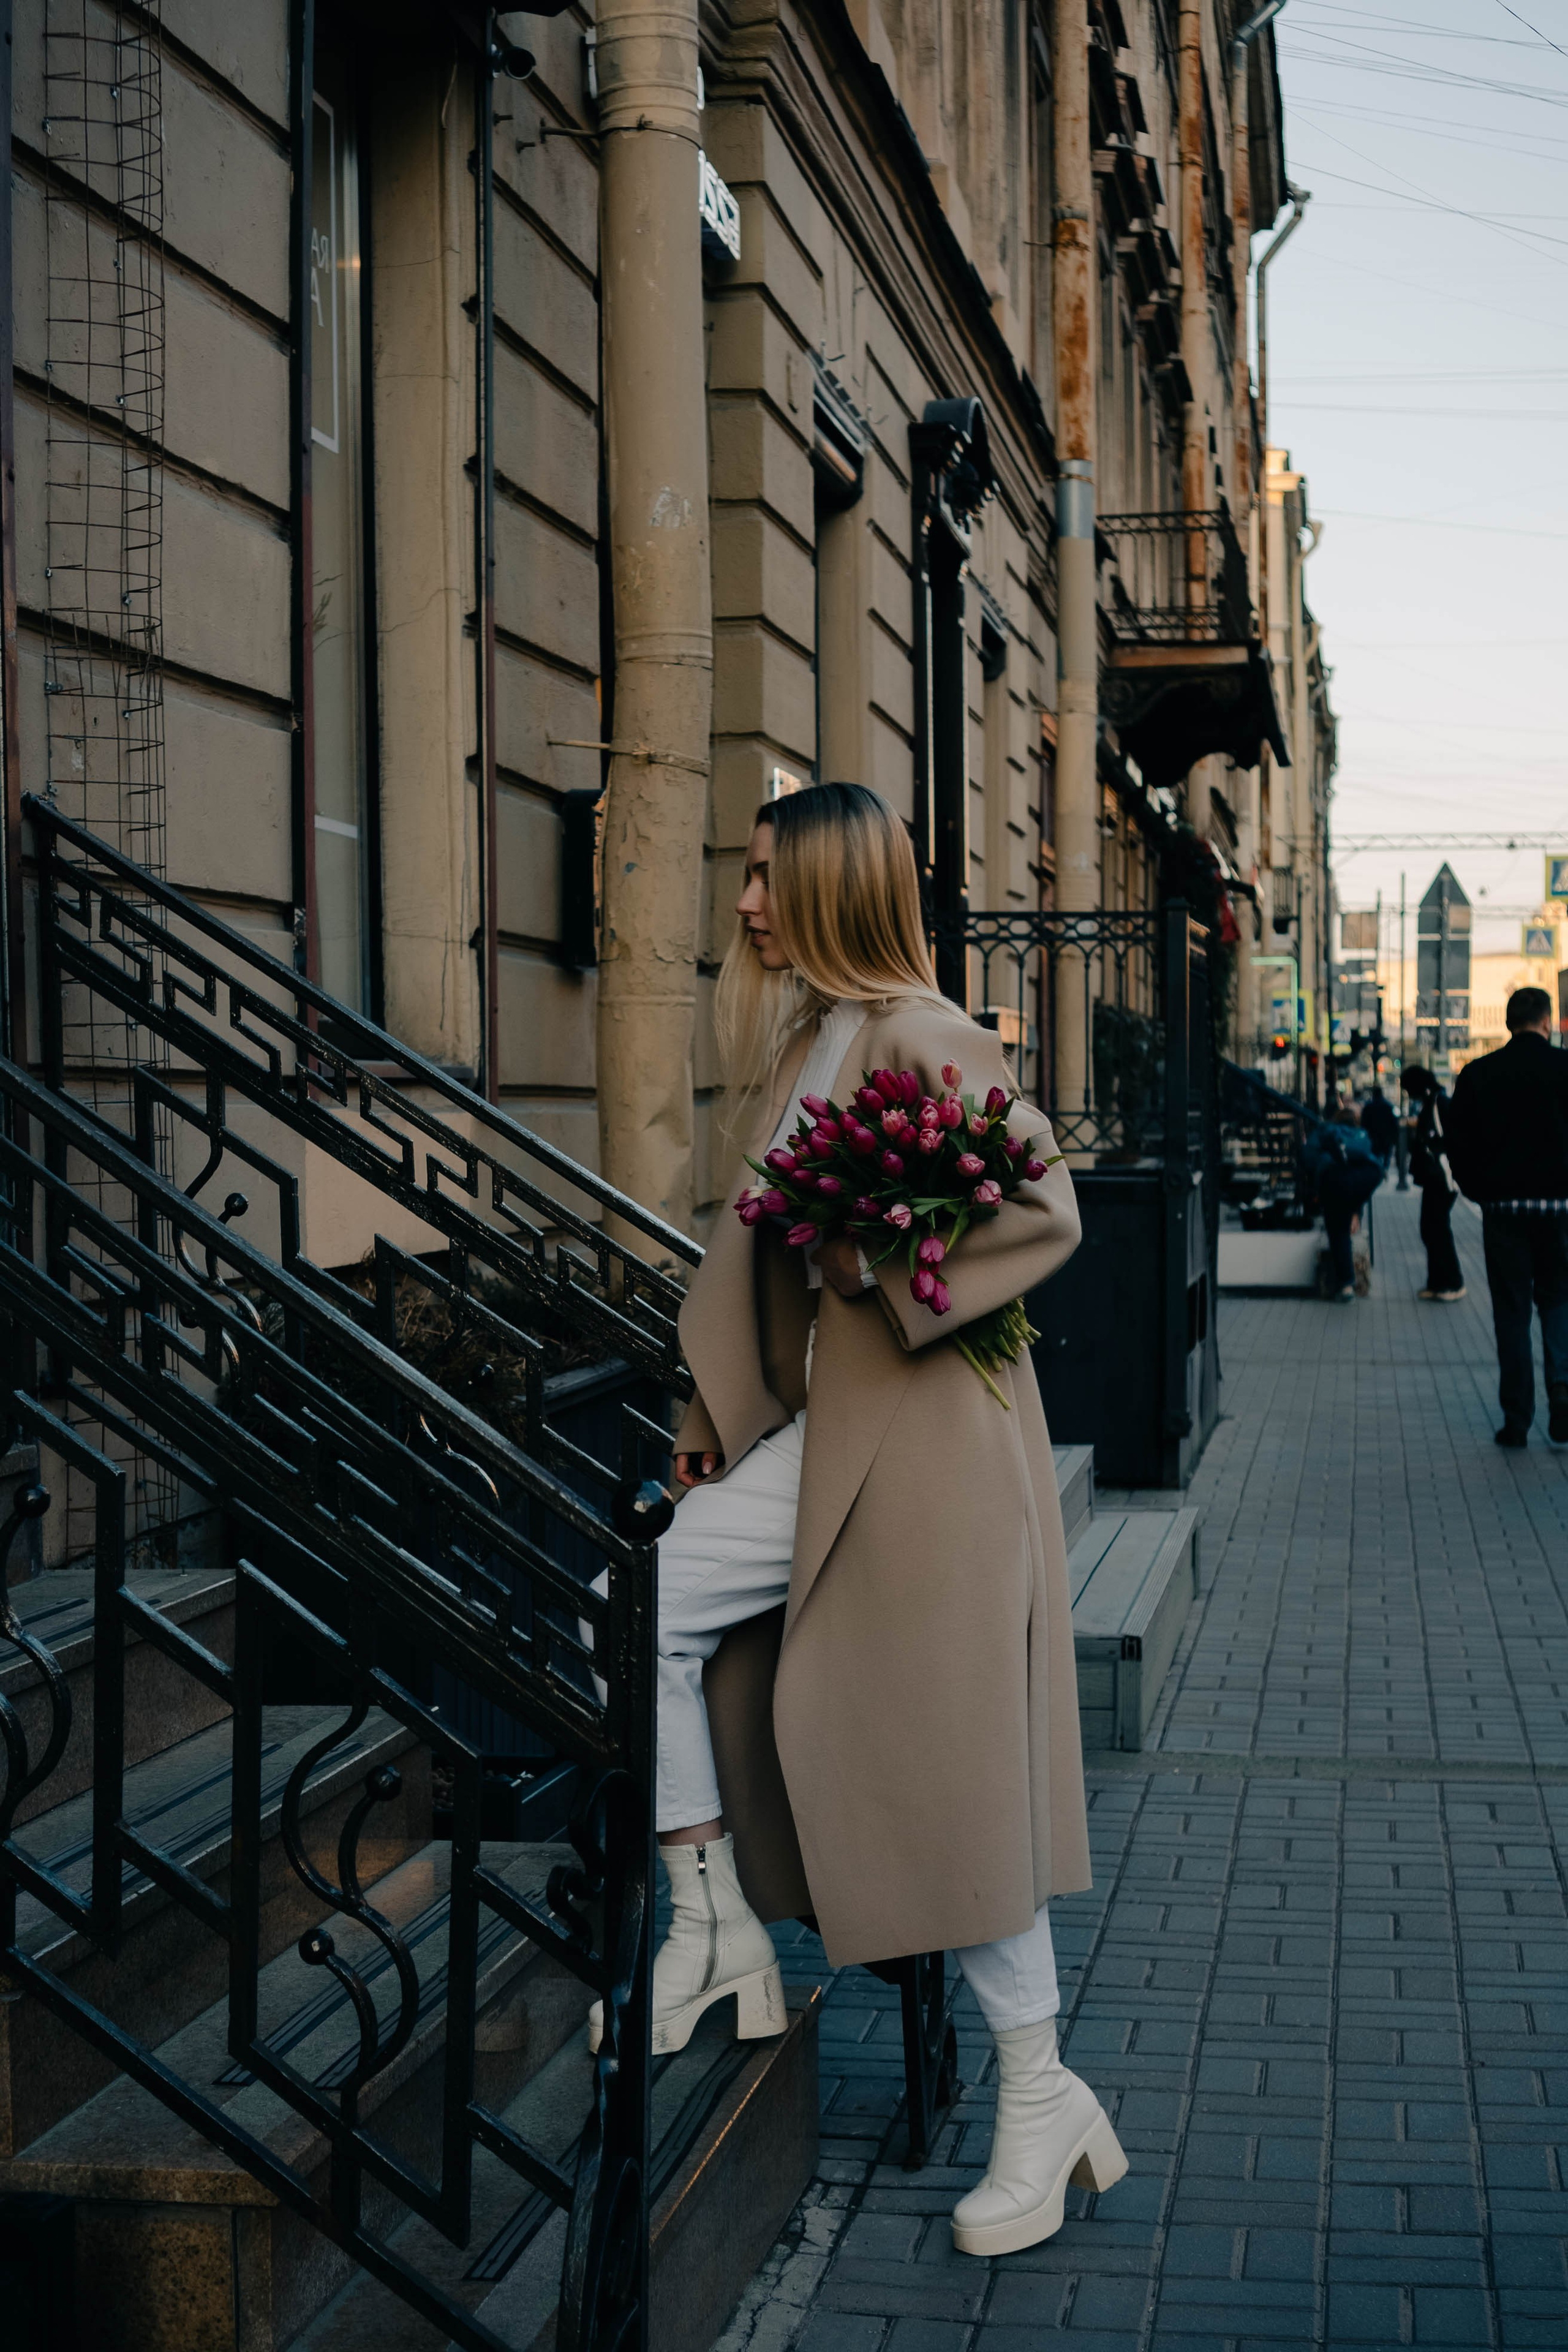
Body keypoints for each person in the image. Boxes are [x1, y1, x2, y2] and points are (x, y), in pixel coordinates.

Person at [609, 782, 1126, 2258]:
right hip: (835, 1444)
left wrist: (865, 1259)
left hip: (929, 1460)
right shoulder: (804, 1041)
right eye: (744, 873)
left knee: (948, 1771)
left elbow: (1038, 1212)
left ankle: (1042, 2097)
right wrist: (722, 1428)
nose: (746, 901)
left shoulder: (916, 1028)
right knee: (646, 1602)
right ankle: (709, 1919)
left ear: (835, 885)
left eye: (766, 876)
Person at [1446, 986, 1568, 1448]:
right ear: (1547, 1021)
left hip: (1503, 1213)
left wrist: (1482, 1193)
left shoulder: (1479, 1074)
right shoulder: (1565, 1068)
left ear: (1508, 1023)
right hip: (1561, 1211)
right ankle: (1562, 1388)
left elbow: (1457, 1146)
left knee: (1512, 1312)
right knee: (1559, 1301)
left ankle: (1517, 1418)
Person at [1400, 1065, 1464, 1303]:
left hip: (1443, 1178)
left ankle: (1453, 1282)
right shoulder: (1432, 1103)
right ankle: (1437, 1283)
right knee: (1430, 1229)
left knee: (1437, 1229)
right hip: (1434, 1178)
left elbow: (1453, 1137)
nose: (1408, 1094)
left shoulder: (1440, 1103)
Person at [1306, 1103, 1382, 1300]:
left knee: (1337, 1230)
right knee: (1346, 1212)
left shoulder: (1325, 1131)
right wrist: (1356, 1210)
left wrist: (1315, 1192)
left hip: (1336, 1181)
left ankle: (1347, 1285)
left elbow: (1309, 1158)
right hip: (1369, 1177)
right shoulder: (1359, 1135)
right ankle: (1353, 1216)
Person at [1360, 1084, 1398, 1169]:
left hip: (1373, 1135)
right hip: (1386, 1135)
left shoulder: (1368, 1107)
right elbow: (1393, 1122)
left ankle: (1378, 1168)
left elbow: (1364, 1123)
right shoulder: (1388, 1106)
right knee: (1387, 1154)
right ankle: (1384, 1169)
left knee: (1375, 1154)